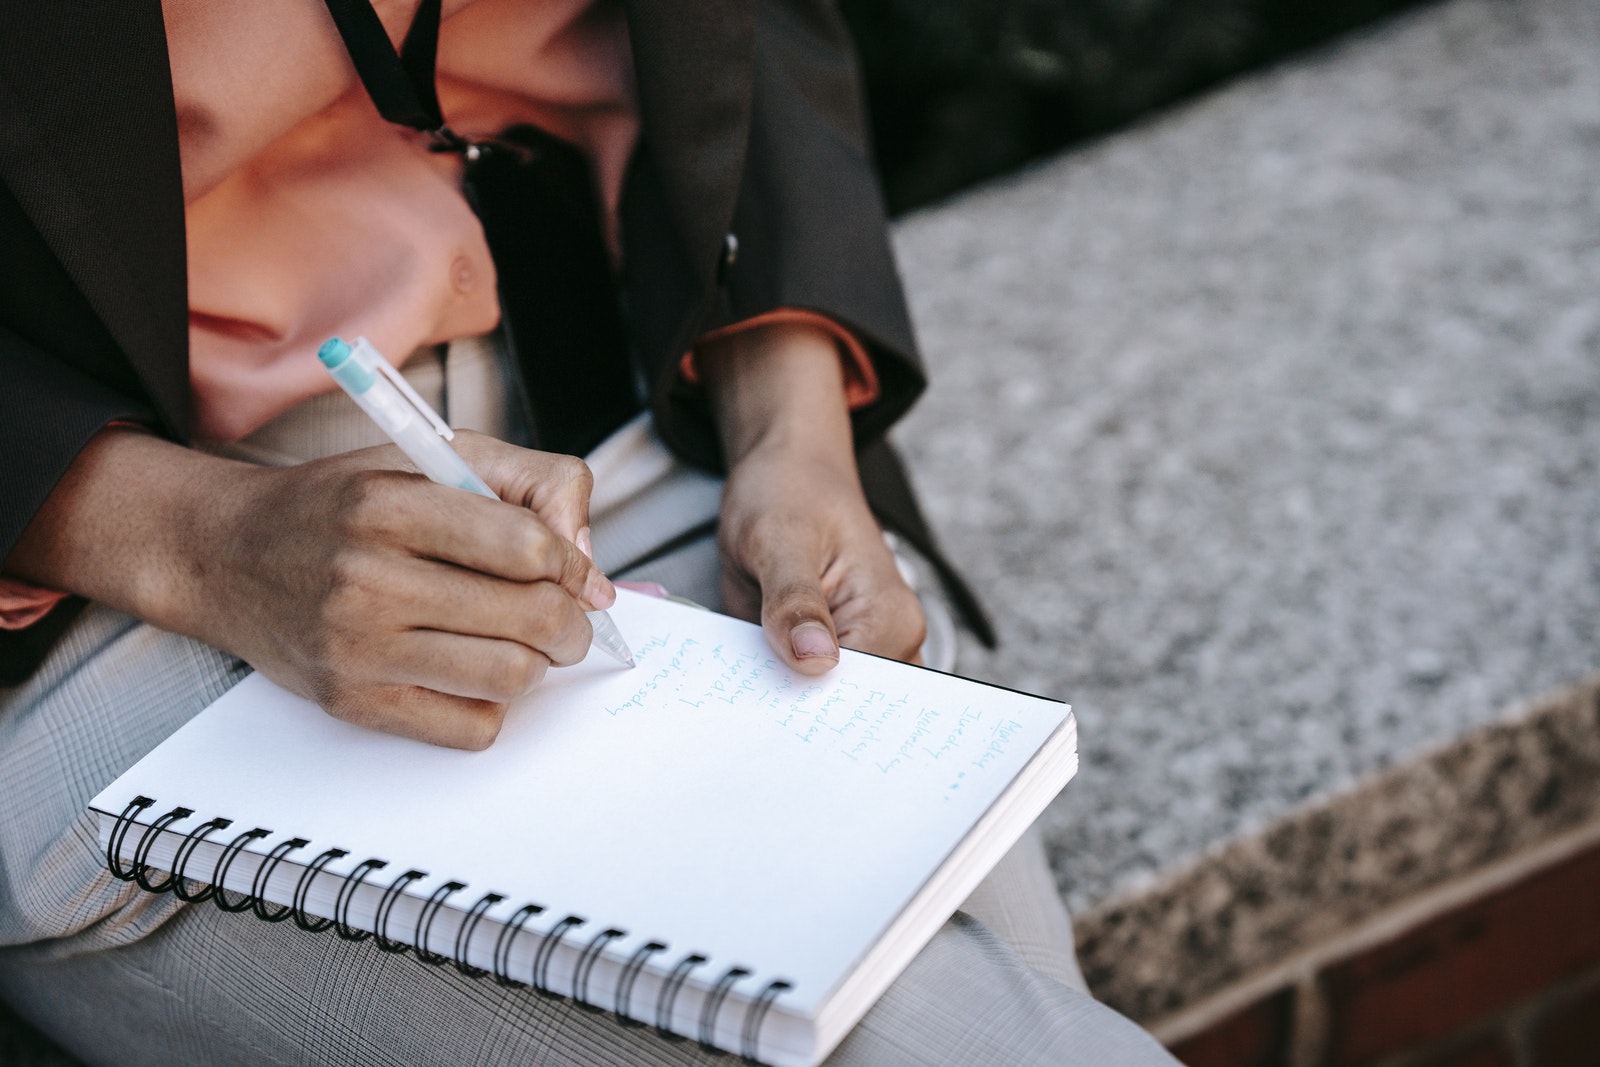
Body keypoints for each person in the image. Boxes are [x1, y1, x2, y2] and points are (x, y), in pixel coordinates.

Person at [0, 0, 1180, 1063]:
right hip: (114, 563)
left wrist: (789, 427)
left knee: (1010, 993)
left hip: (642, 421)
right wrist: (190, 539)